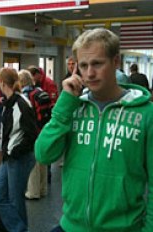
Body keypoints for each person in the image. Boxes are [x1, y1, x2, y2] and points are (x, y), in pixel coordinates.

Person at [35, 28, 153, 232]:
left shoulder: (146, 114)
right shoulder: (71, 107)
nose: (89, 73)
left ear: (116, 62)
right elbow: (44, 154)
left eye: (97, 63)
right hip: (71, 225)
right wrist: (65, 103)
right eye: (83, 65)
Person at [0, 68, 36, 232]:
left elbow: (31, 135)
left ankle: (20, 230)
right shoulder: (7, 103)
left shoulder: (21, 104)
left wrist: (14, 151)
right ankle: (19, 228)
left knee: (15, 200)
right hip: (9, 157)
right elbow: (9, 128)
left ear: (3, 83)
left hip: (20, 158)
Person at [18, 69, 47, 200]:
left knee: (32, 162)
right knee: (42, 161)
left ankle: (33, 191)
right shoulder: (40, 91)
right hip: (44, 130)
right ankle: (42, 189)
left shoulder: (25, 95)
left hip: (33, 131)